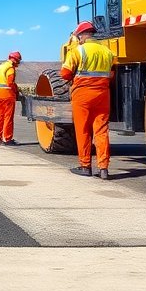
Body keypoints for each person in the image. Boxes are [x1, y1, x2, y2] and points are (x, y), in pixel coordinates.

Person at [61, 21, 114, 179]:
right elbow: (111, 74)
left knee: (83, 129)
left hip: (83, 94)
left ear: (82, 36)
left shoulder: (78, 51)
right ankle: (103, 168)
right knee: (101, 130)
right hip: (103, 94)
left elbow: (65, 73)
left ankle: (85, 166)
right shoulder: (107, 52)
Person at [0, 51, 22, 145]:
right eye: (18, 61)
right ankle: (7, 139)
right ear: (16, 60)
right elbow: (10, 82)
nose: (18, 63)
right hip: (7, 95)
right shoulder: (10, 68)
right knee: (8, 117)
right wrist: (17, 91)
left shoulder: (0, 66)